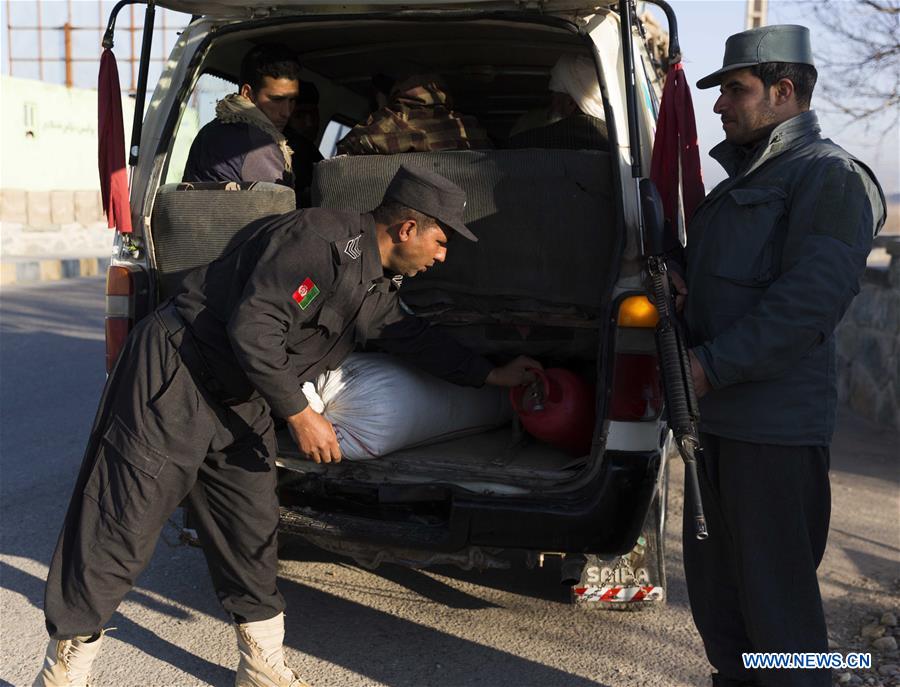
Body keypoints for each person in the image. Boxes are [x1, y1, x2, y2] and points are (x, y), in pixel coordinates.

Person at [34, 165, 541, 687]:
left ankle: (261, 667)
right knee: (122, 521)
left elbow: (407, 335)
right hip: (176, 375)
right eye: (441, 240)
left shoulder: (373, 280)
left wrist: (491, 374)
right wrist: (302, 414)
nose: (443, 256)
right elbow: (254, 329)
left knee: (250, 527)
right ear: (407, 228)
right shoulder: (315, 241)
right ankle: (65, 669)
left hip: (243, 395)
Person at [680, 25, 886, 687]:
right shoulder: (745, 180)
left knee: (783, 628)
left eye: (735, 90)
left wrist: (708, 367)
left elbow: (806, 306)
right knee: (723, 616)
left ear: (785, 90)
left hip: (773, 436)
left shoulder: (829, 178)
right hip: (713, 429)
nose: (720, 106)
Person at [182, 44, 300, 187]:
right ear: (247, 94)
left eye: (292, 100)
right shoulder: (259, 144)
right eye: (276, 100)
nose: (287, 112)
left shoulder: (210, 130)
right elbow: (283, 205)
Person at [337, 73, 493, 155]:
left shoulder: (392, 119)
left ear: (399, 93)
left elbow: (348, 147)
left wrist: (382, 108)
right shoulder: (468, 125)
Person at [507, 54, 608, 150]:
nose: (552, 105)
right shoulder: (618, 143)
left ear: (570, 103)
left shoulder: (528, 142)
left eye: (555, 98)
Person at [283, 80, 324, 207]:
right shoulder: (297, 148)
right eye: (300, 115)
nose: (309, 123)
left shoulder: (308, 149)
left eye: (314, 114)